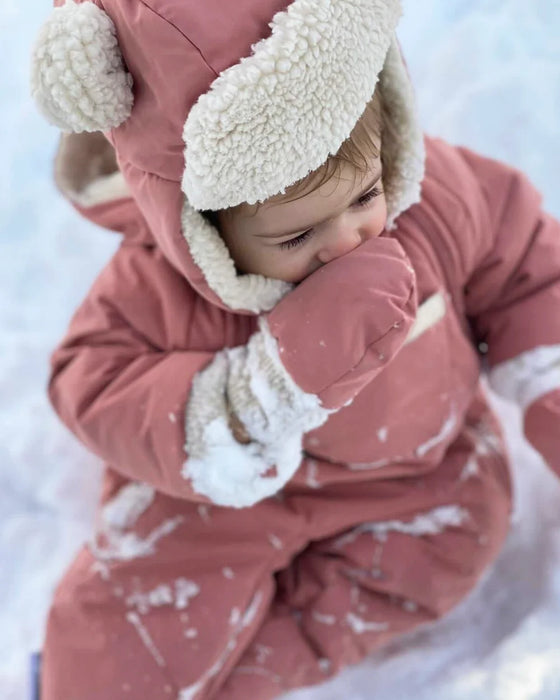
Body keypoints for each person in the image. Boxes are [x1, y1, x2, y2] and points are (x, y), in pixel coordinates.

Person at [30, 1, 560, 698]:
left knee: (449, 543)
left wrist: (547, 378)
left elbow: (526, 267)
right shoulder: (152, 283)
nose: (347, 242)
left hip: (413, 476)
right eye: (295, 239)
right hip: (233, 497)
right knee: (137, 614)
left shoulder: (436, 202)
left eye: (365, 195)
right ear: (204, 230)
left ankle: (257, 673)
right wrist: (246, 403)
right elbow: (90, 380)